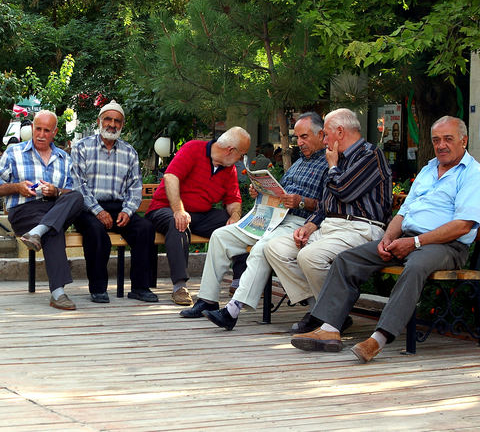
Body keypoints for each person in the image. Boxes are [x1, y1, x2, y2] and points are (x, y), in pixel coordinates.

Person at [291, 116, 480, 362]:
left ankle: (378, 339)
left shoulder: (472, 173)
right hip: (408, 240)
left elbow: (462, 225)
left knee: (415, 266)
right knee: (347, 259)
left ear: (463, 141)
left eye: (448, 139)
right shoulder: (427, 169)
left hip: (446, 246)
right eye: (436, 140)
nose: (441, 145)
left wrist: (415, 243)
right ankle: (330, 329)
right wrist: (387, 239)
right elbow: (403, 213)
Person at [188, 113, 329, 330]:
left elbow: (330, 206)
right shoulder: (300, 162)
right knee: (220, 235)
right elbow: (281, 192)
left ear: (321, 134)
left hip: (299, 222)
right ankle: (206, 299)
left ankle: (232, 310)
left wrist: (302, 202)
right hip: (271, 216)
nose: (299, 142)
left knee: (263, 247)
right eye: (297, 137)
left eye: (304, 137)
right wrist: (261, 192)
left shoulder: (330, 164)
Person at [264, 108, 392, 333]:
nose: (323, 140)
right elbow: (326, 203)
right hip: (330, 226)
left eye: (325, 134)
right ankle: (323, 310)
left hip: (361, 227)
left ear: (340, 132)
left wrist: (332, 166)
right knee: (276, 248)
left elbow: (344, 191)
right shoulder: (336, 156)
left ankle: (330, 314)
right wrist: (309, 225)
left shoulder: (369, 155)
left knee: (310, 256)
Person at [145, 126, 251, 305]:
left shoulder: (228, 168)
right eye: (242, 154)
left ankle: (238, 281)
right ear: (230, 150)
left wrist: (235, 215)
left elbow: (233, 199)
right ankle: (179, 286)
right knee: (178, 222)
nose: (241, 159)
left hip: (200, 214)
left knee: (238, 227)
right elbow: (171, 177)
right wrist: (178, 210)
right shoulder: (193, 148)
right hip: (165, 208)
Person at [0, 110, 84, 310]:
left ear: (55, 132)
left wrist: (56, 191)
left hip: (54, 208)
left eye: (46, 130)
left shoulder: (64, 158)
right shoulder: (14, 152)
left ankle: (37, 233)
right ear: (32, 128)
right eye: (37, 129)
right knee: (54, 229)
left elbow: (72, 190)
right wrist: (17, 187)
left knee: (76, 196)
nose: (41, 134)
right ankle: (58, 293)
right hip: (25, 210)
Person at [71, 100, 158, 303]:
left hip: (118, 207)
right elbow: (78, 186)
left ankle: (139, 287)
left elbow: (135, 188)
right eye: (108, 119)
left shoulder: (129, 152)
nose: (112, 124)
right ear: (99, 121)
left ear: (122, 125)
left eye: (117, 121)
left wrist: (127, 211)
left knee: (144, 228)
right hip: (87, 208)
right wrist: (97, 211)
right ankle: (98, 288)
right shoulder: (81, 148)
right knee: (96, 231)